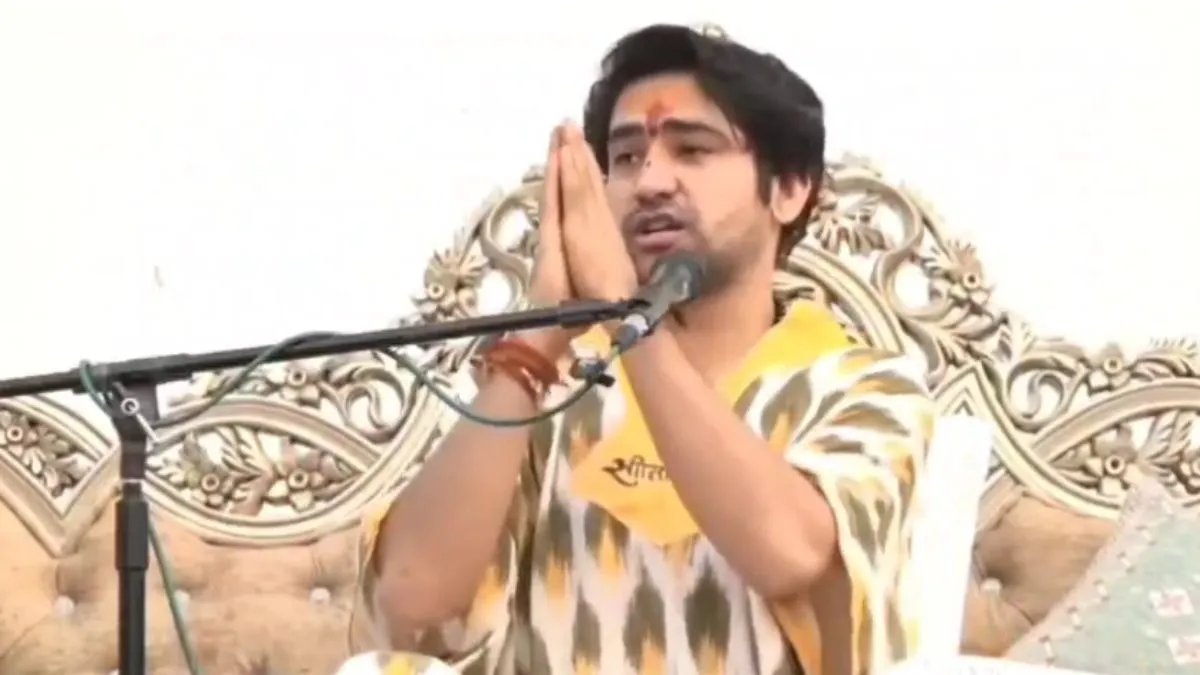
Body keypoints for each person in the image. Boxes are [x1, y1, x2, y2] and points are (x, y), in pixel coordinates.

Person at [349, 23, 934, 675]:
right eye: (626, 158)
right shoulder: (557, 387)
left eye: (692, 150)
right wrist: (539, 337)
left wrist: (631, 323)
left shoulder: (867, 387)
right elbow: (412, 602)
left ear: (789, 189)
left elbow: (790, 553)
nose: (651, 180)